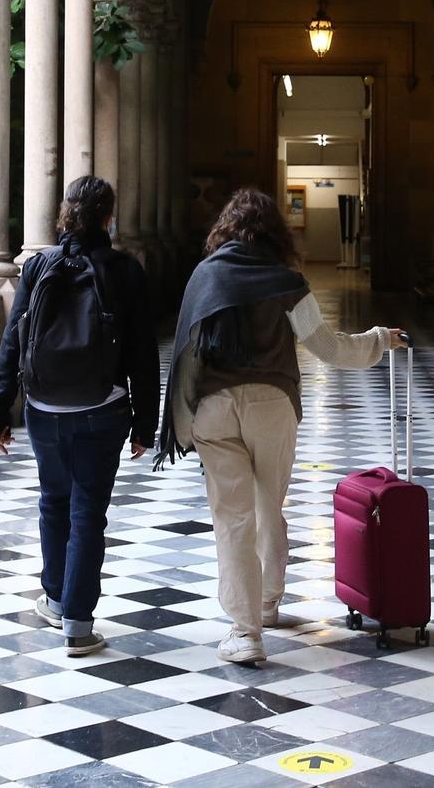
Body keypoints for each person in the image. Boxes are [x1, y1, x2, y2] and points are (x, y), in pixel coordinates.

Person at [158, 188, 408, 665]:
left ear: (225, 229)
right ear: (274, 232)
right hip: (272, 405)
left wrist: (180, 426)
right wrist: (381, 339)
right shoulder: (285, 281)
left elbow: (186, 357)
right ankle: (269, 601)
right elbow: (329, 348)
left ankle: (245, 630)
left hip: (214, 408)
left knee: (232, 519)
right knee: (267, 503)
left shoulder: (206, 277)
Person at [0, 176, 157, 657]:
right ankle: (78, 625)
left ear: (65, 215)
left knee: (53, 501)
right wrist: (145, 422)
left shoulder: (39, 266)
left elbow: (12, 342)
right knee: (87, 513)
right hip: (103, 409)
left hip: (44, 410)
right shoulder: (124, 270)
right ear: (108, 218)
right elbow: (143, 352)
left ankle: (57, 598)